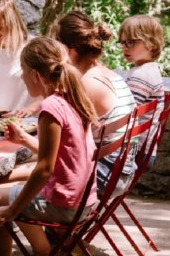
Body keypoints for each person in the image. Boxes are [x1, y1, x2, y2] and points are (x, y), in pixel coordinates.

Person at [0, 36, 97, 256]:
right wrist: (25, 139)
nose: (22, 78)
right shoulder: (72, 98)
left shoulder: (50, 109)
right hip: (83, 201)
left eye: (23, 72)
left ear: (36, 75)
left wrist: (12, 210)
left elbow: (44, 169)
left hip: (63, 204)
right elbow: (63, 154)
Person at [51, 11, 136, 197]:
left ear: (69, 50)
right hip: (122, 168)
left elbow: (64, 142)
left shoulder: (87, 84)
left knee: (25, 173)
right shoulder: (106, 73)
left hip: (106, 174)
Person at [119, 14, 165, 168]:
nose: (125, 47)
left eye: (131, 42)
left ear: (151, 44)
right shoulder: (148, 69)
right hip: (145, 148)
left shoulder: (142, 75)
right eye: (122, 42)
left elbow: (124, 111)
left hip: (135, 152)